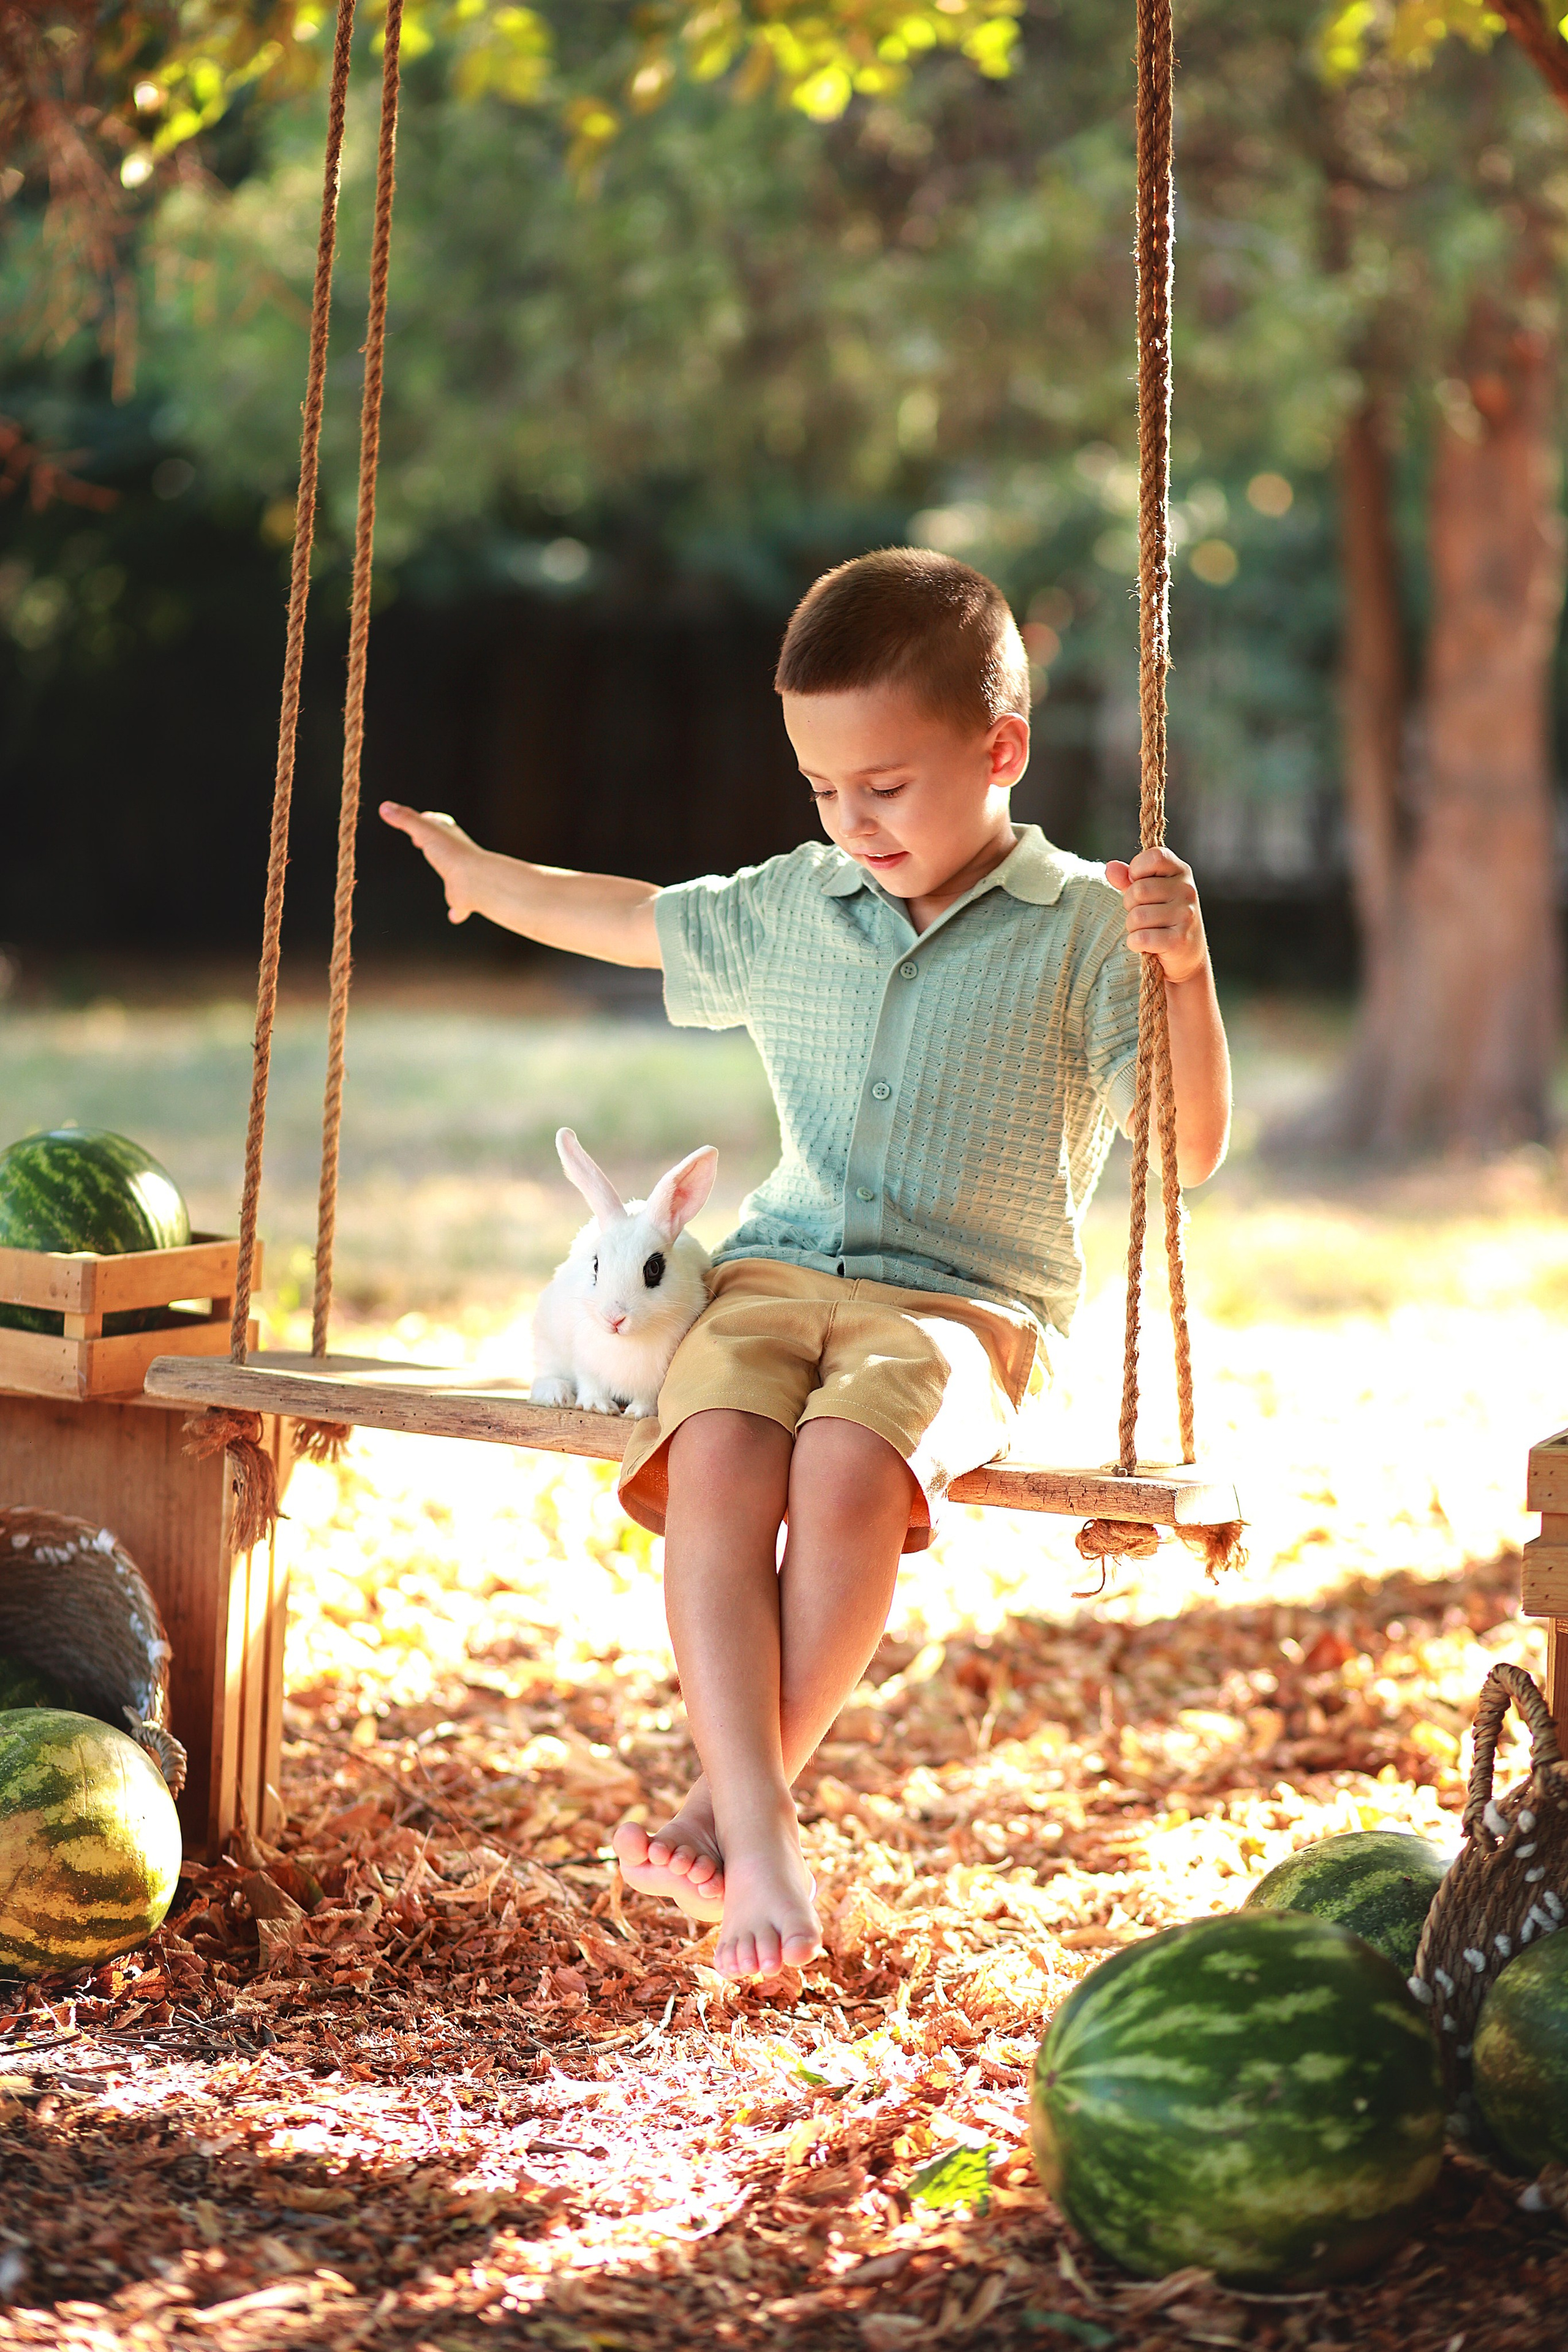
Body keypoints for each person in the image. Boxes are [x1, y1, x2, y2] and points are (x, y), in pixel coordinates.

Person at [381, 548, 1231, 1981]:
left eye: (883, 787)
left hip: (965, 1305)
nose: (852, 821)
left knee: (845, 1468)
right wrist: (483, 875)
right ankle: (757, 1822)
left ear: (998, 750)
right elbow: (625, 914)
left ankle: (739, 1810)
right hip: (771, 1276)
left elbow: (1187, 1148)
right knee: (713, 1445)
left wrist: (1186, 974)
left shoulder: (1088, 926)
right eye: (822, 791)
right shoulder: (796, 905)